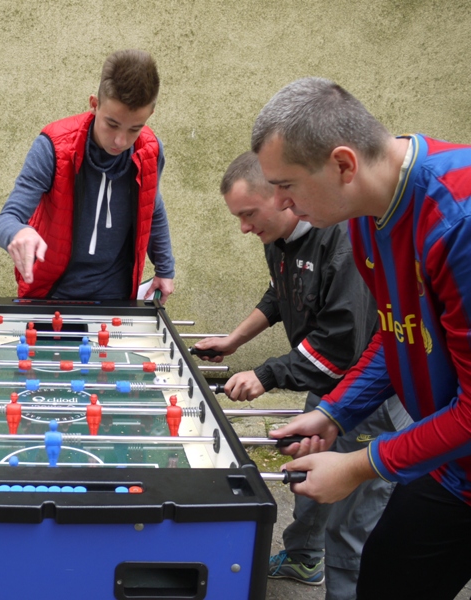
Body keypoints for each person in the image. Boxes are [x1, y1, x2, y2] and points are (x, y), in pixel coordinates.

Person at [252, 77, 471, 599]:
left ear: (344, 165)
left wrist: (357, 465)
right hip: (453, 467)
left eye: (286, 186)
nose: (279, 203)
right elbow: (397, 334)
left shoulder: (457, 220)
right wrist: (335, 413)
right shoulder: (365, 216)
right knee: (386, 574)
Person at [194, 151, 409, 598]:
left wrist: (266, 375)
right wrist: (234, 340)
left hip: (372, 396)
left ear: (281, 197)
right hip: (326, 384)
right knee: (309, 479)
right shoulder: (278, 237)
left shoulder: (342, 241)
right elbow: (280, 293)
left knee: (351, 523)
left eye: (249, 214)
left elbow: (342, 344)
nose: (244, 228)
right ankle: (303, 558)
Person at [0, 49, 175, 304]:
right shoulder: (53, 147)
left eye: (135, 128)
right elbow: (5, 220)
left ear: (149, 115)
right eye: (111, 124)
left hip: (118, 296)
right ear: (94, 104)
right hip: (52, 295)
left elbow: (152, 208)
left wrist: (165, 269)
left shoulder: (151, 150)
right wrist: (18, 232)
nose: (120, 141)